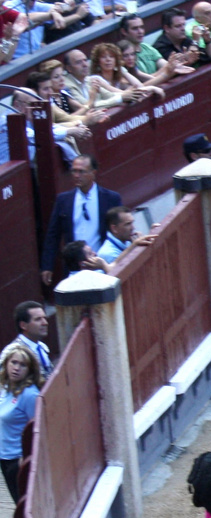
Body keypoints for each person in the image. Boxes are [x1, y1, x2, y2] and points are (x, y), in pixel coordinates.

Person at [42, 156, 123, 289]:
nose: (77, 175)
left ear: (93, 173)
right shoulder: (63, 200)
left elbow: (120, 228)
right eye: (74, 171)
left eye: (82, 171)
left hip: (103, 263)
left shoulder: (111, 198)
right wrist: (47, 265)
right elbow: (53, 234)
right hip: (75, 268)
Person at [0, 341, 44, 502]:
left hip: (19, 460)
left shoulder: (29, 395)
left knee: (25, 505)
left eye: (23, 365)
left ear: (29, 370)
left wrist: (27, 458)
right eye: (14, 362)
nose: (17, 368)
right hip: (5, 458)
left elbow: (38, 429)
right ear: (7, 364)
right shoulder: (6, 389)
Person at [14, 302, 53, 377]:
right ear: (23, 325)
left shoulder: (42, 347)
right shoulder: (14, 352)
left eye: (44, 318)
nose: (45, 323)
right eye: (38, 319)